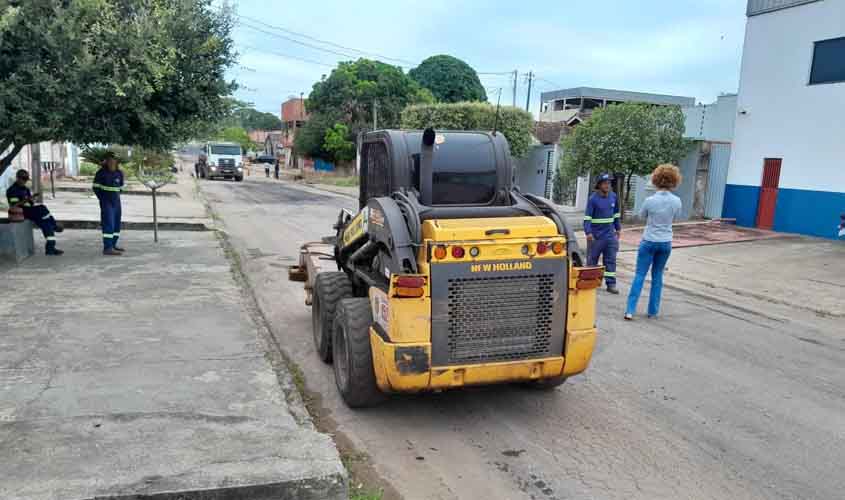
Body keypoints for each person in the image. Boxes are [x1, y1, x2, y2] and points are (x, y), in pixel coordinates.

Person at [624, 164, 683, 320]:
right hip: (665, 242)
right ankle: (653, 311)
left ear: (656, 179)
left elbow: (642, 215)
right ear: (674, 180)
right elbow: (676, 217)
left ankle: (630, 310)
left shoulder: (649, 200)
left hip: (649, 239)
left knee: (640, 274)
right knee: (657, 276)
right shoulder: (677, 201)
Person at [5, 169, 64, 255]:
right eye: (23, 178)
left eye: (26, 179)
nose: (24, 181)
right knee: (42, 208)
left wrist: (32, 199)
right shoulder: (12, 190)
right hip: (20, 213)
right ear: (17, 178)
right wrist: (28, 199)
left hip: (30, 211)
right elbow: (15, 205)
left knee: (46, 224)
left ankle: (50, 248)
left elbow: (30, 203)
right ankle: (54, 226)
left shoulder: (25, 189)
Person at [584, 173, 621, 294]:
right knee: (592, 260)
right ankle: (590, 282)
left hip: (610, 236)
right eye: (605, 183)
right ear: (599, 185)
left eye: (609, 183)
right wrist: (588, 232)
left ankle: (611, 284)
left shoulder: (614, 197)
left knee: (611, 260)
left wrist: (618, 229)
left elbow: (616, 215)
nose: (607, 185)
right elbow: (587, 218)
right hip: (596, 236)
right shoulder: (593, 199)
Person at [93, 153, 125, 256]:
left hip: (116, 202)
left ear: (117, 162)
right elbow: (95, 187)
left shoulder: (119, 173)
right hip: (106, 202)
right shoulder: (101, 173)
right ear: (106, 162)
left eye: (114, 161)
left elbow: (121, 187)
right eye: (110, 160)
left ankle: (113, 245)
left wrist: (116, 197)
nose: (112, 162)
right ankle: (107, 248)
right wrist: (102, 199)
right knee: (108, 224)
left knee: (116, 224)